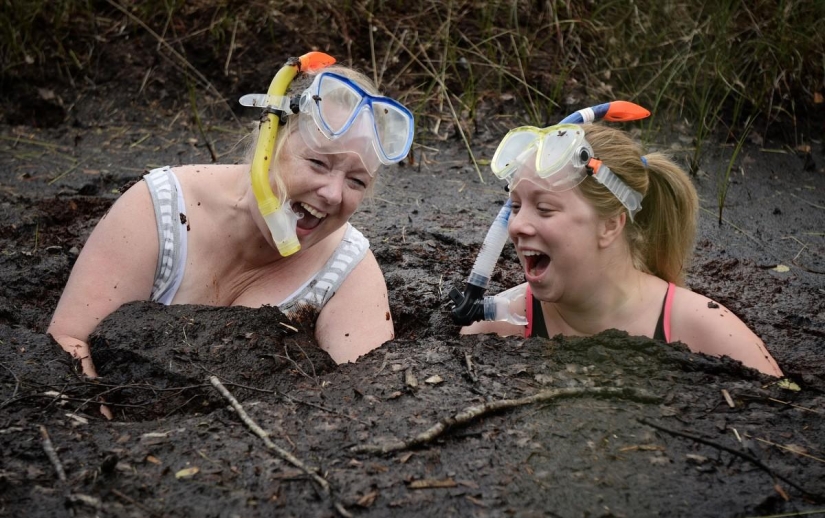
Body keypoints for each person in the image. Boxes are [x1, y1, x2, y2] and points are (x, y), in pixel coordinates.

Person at [49, 54, 413, 391]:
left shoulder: (348, 272)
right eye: (318, 163)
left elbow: (369, 401)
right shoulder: (160, 209)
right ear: (269, 140)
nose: (333, 194)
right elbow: (69, 343)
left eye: (356, 182)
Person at [462, 120, 783, 377]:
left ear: (611, 224)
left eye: (545, 209)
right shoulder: (499, 327)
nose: (516, 226)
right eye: (516, 207)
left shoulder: (706, 332)